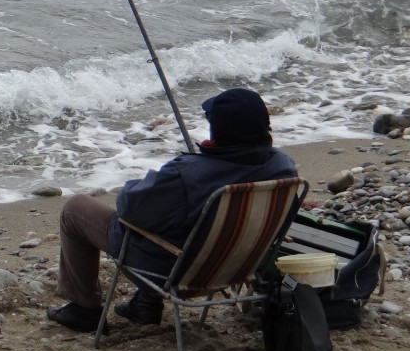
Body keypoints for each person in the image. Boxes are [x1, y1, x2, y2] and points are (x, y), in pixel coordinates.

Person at [47, 87, 298, 333]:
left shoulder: (187, 175)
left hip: (175, 274)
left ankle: (84, 308)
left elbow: (128, 208)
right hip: (237, 268)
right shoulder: (284, 168)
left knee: (75, 209)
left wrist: (166, 175)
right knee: (175, 218)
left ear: (219, 130)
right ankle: (145, 304)